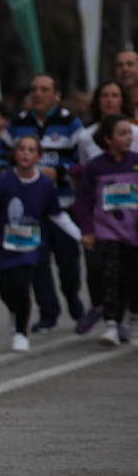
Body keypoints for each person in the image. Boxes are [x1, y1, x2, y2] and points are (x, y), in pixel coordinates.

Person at [0, 133, 82, 352]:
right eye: (21, 149)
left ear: (38, 156)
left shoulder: (44, 184)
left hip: (29, 246)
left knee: (23, 286)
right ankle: (14, 312)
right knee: (6, 291)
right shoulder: (3, 182)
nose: (25, 153)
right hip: (2, 245)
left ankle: (21, 332)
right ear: (14, 154)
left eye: (31, 150)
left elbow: (56, 214)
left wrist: (79, 235)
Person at [5, 74, 84, 331]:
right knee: (37, 262)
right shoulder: (17, 123)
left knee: (68, 261)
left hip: (62, 206)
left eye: (44, 89)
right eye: (34, 89)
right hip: (30, 211)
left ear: (56, 95)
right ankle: (48, 312)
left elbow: (82, 163)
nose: (38, 94)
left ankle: (72, 296)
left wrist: (59, 173)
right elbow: (0, 158)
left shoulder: (70, 123)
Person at [73, 116, 138, 345]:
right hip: (108, 231)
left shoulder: (135, 162)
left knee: (133, 279)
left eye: (130, 133)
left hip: (134, 233)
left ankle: (133, 320)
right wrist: (87, 230)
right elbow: (82, 202)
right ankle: (111, 324)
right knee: (110, 276)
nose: (129, 138)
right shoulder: (96, 167)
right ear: (108, 139)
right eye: (122, 134)